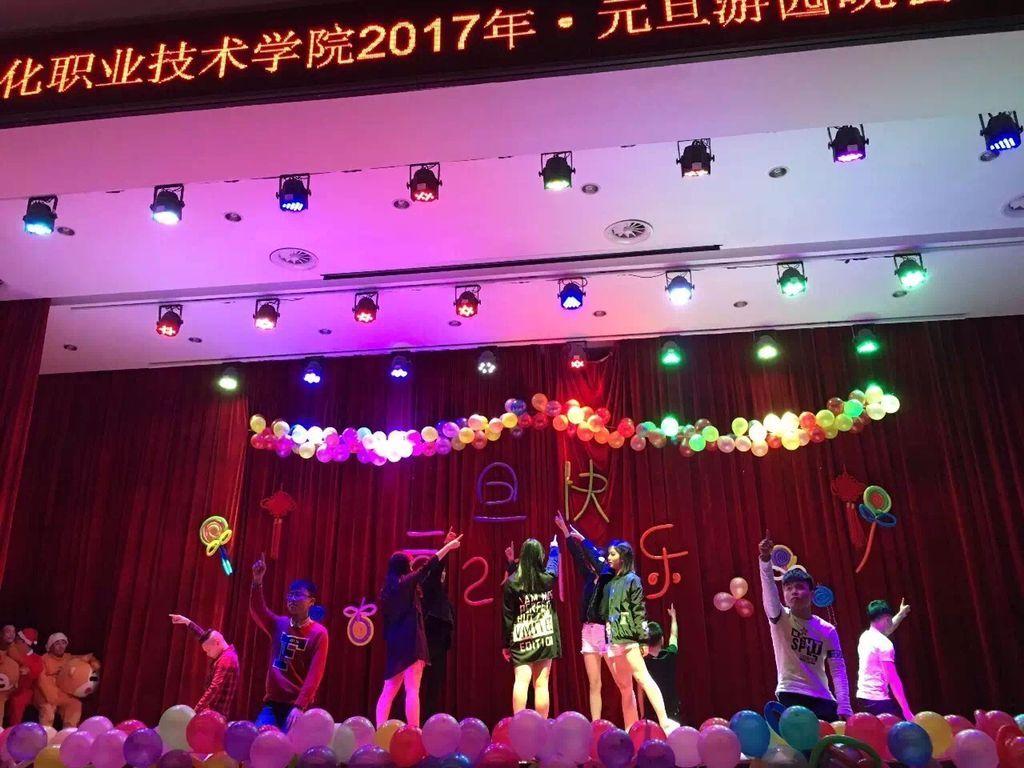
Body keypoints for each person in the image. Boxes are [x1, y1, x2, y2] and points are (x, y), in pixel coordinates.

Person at [758, 531, 852, 721]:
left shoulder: (827, 630)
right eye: (788, 588)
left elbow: (838, 668)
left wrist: (844, 705)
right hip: (790, 693)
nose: (794, 592)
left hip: (823, 698)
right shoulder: (780, 617)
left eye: (800, 587)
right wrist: (765, 560)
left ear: (812, 593)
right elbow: (768, 589)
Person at [376, 533, 464, 728]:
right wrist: (448, 547)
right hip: (412, 643)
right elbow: (429, 566)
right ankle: (414, 730)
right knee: (412, 689)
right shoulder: (407, 583)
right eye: (409, 564)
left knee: (388, 690)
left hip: (395, 644)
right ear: (404, 567)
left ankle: (379, 731)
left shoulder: (387, 591)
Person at [250, 554, 329, 731]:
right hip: (272, 704)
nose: (292, 599)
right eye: (290, 595)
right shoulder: (279, 624)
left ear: (311, 601)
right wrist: (257, 581)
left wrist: (300, 705)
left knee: (290, 746)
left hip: (296, 707)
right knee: (259, 739)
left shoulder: (319, 633)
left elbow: (315, 674)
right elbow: (258, 610)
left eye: (298, 595)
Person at [601, 540, 671, 730]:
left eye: (613, 554)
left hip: (630, 637)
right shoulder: (611, 582)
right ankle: (630, 728)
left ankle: (664, 719)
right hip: (614, 637)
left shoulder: (633, 579)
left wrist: (642, 639)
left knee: (642, 677)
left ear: (623, 557)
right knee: (625, 688)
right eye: (608, 554)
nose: (609, 558)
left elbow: (639, 610)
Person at [558, 515, 614, 721]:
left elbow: (593, 559)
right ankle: (595, 723)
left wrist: (583, 540)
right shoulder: (591, 577)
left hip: (605, 632)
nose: (590, 564)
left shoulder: (609, 577)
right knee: (594, 683)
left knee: (621, 681)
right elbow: (578, 558)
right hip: (588, 632)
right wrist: (566, 533)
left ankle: (631, 721)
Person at [503, 535, 560, 717]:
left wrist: (506, 644)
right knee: (541, 684)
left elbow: (508, 616)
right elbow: (553, 566)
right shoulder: (547, 579)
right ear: (539, 556)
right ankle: (542, 726)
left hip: (522, 637)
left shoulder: (512, 582)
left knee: (521, 681)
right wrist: (554, 548)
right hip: (544, 635)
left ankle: (519, 724)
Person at [169, 614, 241, 717]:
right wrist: (187, 622)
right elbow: (206, 638)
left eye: (208, 650)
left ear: (217, 643)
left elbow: (214, 688)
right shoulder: (224, 651)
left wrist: (195, 712)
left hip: (214, 717)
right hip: (212, 714)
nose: (207, 654)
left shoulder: (226, 660)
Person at [420, 530, 458, 719]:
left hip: (438, 643)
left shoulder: (440, 595)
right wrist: (447, 546)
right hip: (430, 641)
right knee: (424, 684)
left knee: (434, 685)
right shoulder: (429, 586)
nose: (443, 575)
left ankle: (428, 719)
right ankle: (420, 721)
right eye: (441, 572)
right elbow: (435, 568)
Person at [855, 599, 913, 719]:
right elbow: (893, 679)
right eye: (889, 619)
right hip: (878, 700)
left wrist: (901, 614)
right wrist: (906, 710)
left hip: (862, 697)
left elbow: (887, 630)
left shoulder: (865, 636)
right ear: (886, 619)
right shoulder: (884, 644)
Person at [35, 633, 99, 728]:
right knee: (48, 709)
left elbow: (86, 657)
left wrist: (93, 662)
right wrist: (51, 697)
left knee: (75, 704)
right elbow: (41, 680)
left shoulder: (68, 658)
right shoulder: (43, 659)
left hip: (62, 693)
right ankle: (46, 733)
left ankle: (68, 731)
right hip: (44, 694)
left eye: (63, 643)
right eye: (57, 643)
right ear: (51, 646)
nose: (61, 646)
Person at [640, 605, 681, 723]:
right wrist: (673, 617)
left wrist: (642, 714)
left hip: (651, 712)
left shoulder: (642, 663)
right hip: (672, 709)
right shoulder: (670, 654)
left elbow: (640, 692)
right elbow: (674, 636)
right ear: (662, 639)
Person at [6, 628, 43, 725]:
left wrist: (28, 671)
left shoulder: (37, 658)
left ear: (24, 642)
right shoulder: (11, 652)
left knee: (17, 702)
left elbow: (36, 672)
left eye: (17, 639)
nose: (14, 641)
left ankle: (13, 729)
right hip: (7, 687)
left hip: (24, 690)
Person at [1, 625, 20, 725]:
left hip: (12, 687)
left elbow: (21, 662)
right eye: (8, 631)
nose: (11, 634)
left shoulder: (15, 649)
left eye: (13, 632)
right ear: (1, 634)